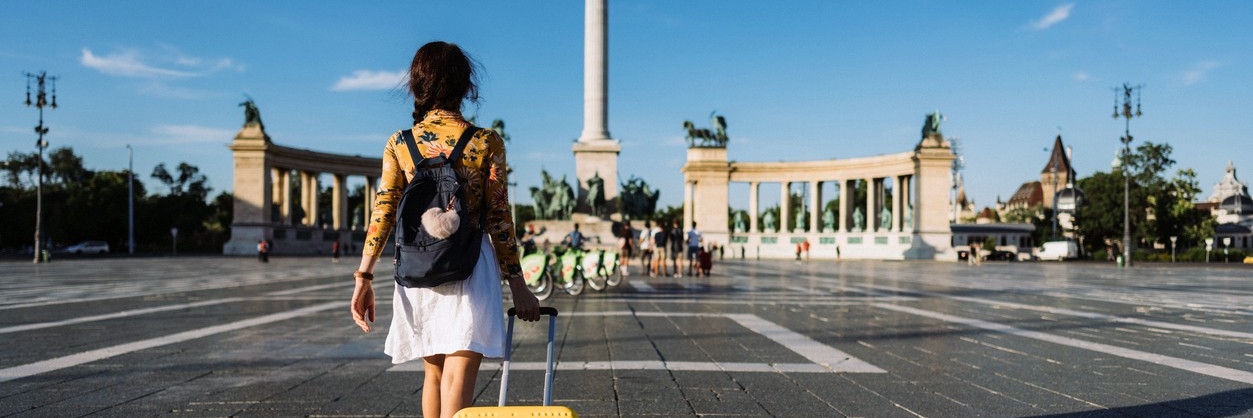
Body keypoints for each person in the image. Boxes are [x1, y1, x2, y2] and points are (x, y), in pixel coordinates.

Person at [349, 41, 539, 418]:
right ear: (466, 86)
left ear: (417, 84)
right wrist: (518, 284)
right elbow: (499, 216)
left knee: (434, 376)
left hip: (418, 268)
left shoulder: (400, 143)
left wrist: (363, 276)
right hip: (469, 265)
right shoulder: (486, 142)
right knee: (458, 377)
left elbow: (383, 210)